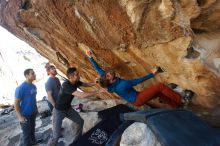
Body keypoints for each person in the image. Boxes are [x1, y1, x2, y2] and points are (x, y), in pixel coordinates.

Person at [86, 50, 191, 109]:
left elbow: (98, 69)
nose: (108, 73)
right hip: (138, 99)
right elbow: (138, 81)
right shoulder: (121, 85)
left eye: (107, 74)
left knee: (159, 93)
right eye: (108, 76)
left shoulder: (107, 81)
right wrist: (152, 74)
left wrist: (90, 57)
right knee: (159, 86)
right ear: (110, 81)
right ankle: (182, 100)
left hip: (136, 99)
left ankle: (177, 106)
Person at [47, 67, 105, 146]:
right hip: (59, 111)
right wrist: (98, 91)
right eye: (77, 74)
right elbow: (82, 95)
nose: (79, 75)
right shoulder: (66, 85)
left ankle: (76, 141)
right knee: (56, 136)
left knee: (81, 121)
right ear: (70, 77)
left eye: (78, 74)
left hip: (68, 109)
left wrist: (95, 82)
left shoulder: (76, 82)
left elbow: (86, 84)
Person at [14, 69, 41, 146]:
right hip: (25, 114)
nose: (34, 74)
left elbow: (33, 99)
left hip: (33, 113)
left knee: (32, 130)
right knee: (26, 134)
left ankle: (33, 142)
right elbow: (16, 103)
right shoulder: (21, 88)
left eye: (34, 73)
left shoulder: (34, 86)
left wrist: (36, 109)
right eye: (32, 73)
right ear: (26, 76)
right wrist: (20, 117)